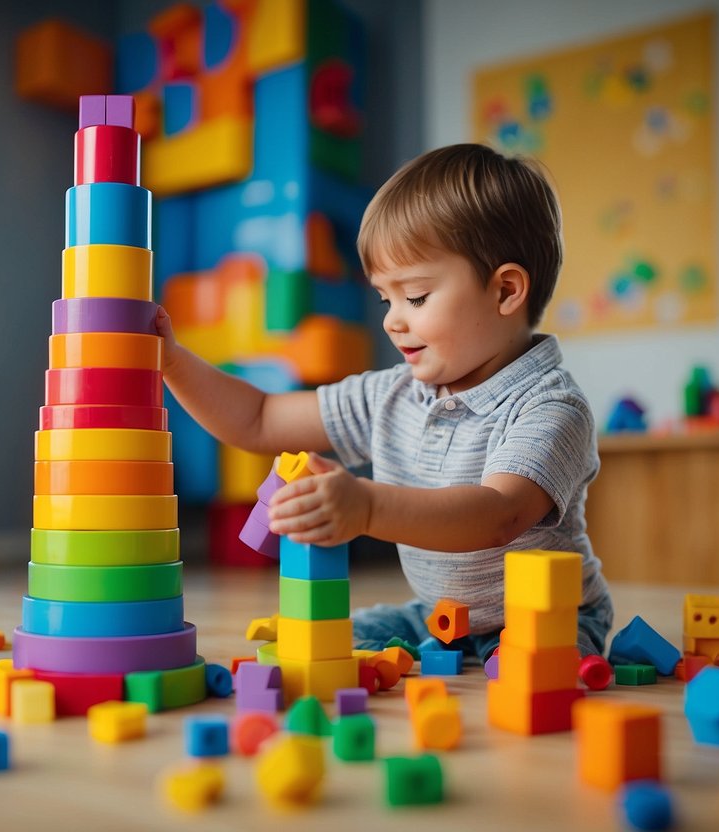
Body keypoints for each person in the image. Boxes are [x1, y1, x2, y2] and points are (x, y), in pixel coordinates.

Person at [156, 143, 612, 661]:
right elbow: (259, 420)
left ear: (506, 291)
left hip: (550, 614)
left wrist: (368, 506)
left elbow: (498, 514)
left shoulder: (550, 407)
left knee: (536, 667)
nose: (392, 320)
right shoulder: (391, 394)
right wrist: (172, 361)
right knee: (338, 636)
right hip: (441, 614)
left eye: (415, 297)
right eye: (384, 298)